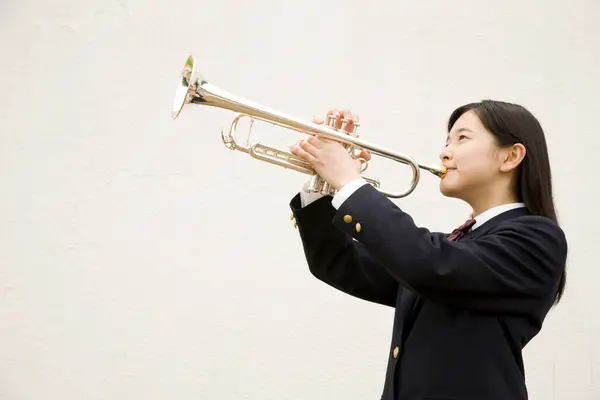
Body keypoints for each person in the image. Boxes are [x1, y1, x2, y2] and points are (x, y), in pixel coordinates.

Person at [287, 100, 568, 400]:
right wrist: (323, 187)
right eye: (447, 141)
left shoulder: (537, 238)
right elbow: (340, 263)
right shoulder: (454, 247)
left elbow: (428, 262)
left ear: (511, 156)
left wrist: (350, 183)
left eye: (462, 138)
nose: (444, 152)